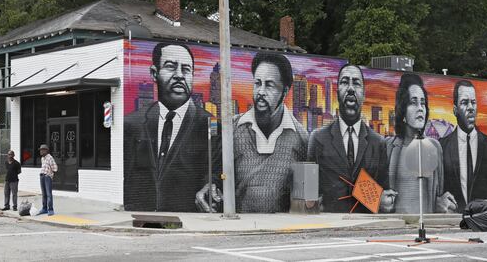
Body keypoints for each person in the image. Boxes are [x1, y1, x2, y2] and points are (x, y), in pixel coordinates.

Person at [205, 52, 308, 213]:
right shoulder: (230, 129)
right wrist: (210, 187)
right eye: (257, 83)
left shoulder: (302, 138)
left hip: (281, 232)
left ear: (285, 91)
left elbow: (305, 199)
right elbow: (215, 177)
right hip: (238, 229)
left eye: (269, 85)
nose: (260, 92)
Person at [123, 42, 214, 212]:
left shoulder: (208, 124)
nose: (179, 75)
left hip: (188, 216)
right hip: (142, 213)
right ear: (154, 73)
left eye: (186, 69)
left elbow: (215, 172)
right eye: (171, 67)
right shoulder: (131, 123)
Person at [308, 64, 395, 213]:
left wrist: (384, 201)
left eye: (356, 83)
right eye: (344, 82)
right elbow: (308, 193)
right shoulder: (317, 139)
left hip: (364, 229)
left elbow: (385, 198)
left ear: (364, 94)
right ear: (337, 92)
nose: (350, 88)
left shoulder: (378, 143)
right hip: (327, 228)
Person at [386, 73, 456, 214]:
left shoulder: (435, 147)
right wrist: (379, 201)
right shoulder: (388, 146)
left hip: (427, 227)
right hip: (395, 228)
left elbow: (439, 193)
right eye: (413, 102)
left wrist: (441, 203)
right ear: (402, 110)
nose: (420, 108)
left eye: (423, 103)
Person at [440, 80, 487, 212]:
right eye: (464, 102)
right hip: (453, 221)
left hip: (483, 221)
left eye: (473, 102)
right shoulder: (442, 146)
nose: (471, 107)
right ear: (455, 110)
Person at [39, 144, 58, 216]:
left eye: (42, 150)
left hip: (47, 177)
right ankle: (44, 209)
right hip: (42, 176)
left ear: (46, 150)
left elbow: (55, 168)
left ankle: (50, 209)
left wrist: (49, 174)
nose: (40, 151)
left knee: (48, 194)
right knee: (44, 194)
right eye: (40, 150)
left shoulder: (50, 158)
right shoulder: (42, 158)